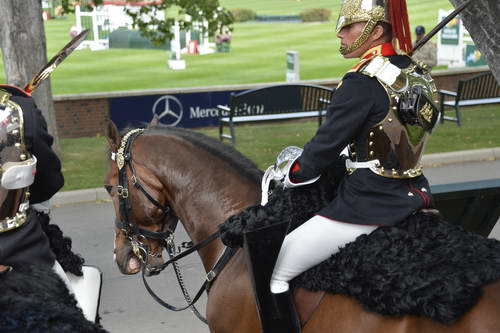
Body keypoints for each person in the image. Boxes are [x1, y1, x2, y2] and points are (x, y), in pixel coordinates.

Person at [243, 1, 440, 332]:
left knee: (275, 268)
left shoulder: (361, 82)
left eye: (350, 26)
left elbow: (319, 153)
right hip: (415, 192)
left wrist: (291, 174)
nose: (341, 32)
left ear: (375, 31)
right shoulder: (416, 75)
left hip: (369, 202)